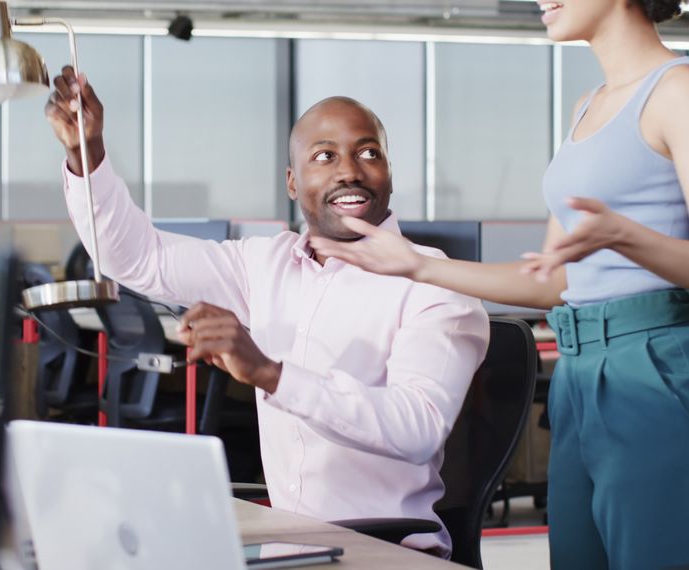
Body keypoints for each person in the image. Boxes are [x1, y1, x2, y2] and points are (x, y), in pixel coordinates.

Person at [310, 0, 689, 568]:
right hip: (581, 375)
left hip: (659, 368)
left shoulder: (679, 88)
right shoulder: (586, 106)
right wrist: (416, 265)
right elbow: (551, 280)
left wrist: (624, 235)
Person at [45, 68, 489, 557]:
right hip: (290, 548)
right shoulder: (263, 264)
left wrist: (270, 373)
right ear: (293, 183)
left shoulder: (434, 282)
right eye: (325, 156)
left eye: (369, 153)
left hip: (387, 553)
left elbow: (417, 428)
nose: (350, 171)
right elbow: (137, 257)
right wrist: (85, 154)